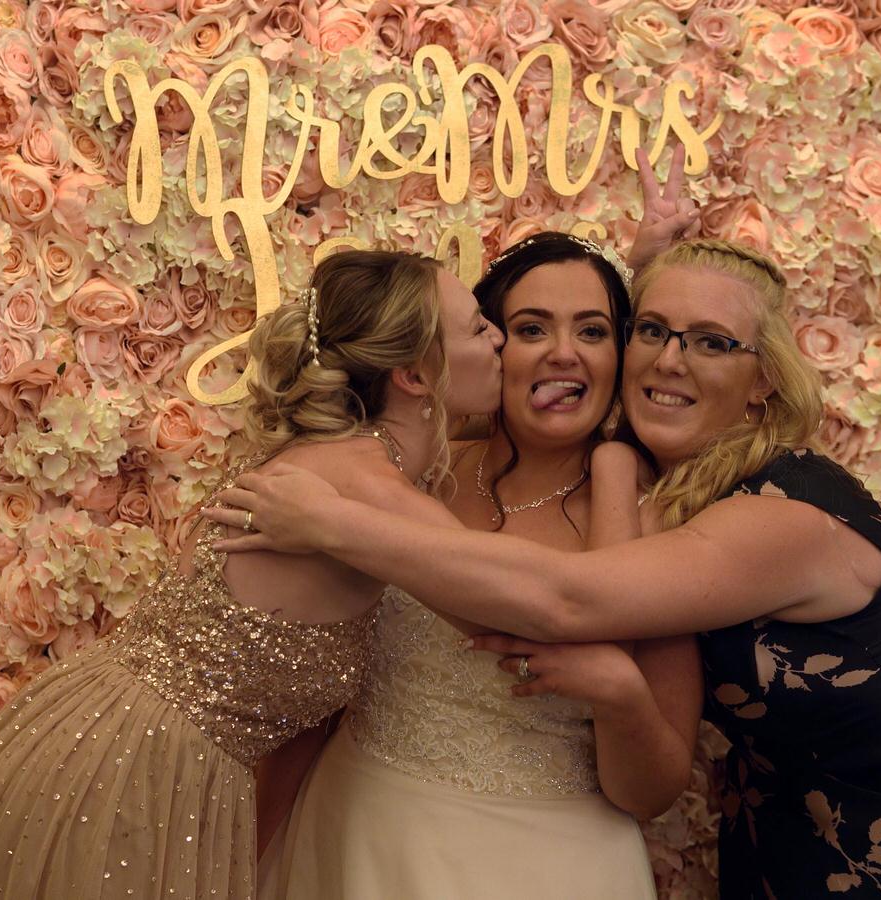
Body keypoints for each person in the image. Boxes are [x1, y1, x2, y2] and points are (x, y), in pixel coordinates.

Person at [206, 239, 881, 898]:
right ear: (484, 345)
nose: (660, 358)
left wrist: (330, 524)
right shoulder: (455, 471)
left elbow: (572, 599)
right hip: (790, 820)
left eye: (708, 344)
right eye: (654, 332)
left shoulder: (771, 511)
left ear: (765, 383)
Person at [0, 249, 504, 900]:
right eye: (477, 328)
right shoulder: (369, 486)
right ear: (413, 375)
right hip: (129, 772)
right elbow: (530, 607)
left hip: (98, 743)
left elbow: (296, 726)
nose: (498, 339)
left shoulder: (343, 468)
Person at [260, 232, 701, 899]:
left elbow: (651, 791)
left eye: (592, 330)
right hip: (359, 837)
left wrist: (623, 693)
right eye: (529, 328)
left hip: (551, 867)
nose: (563, 353)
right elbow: (313, 696)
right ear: (486, 349)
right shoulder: (412, 478)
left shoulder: (659, 524)